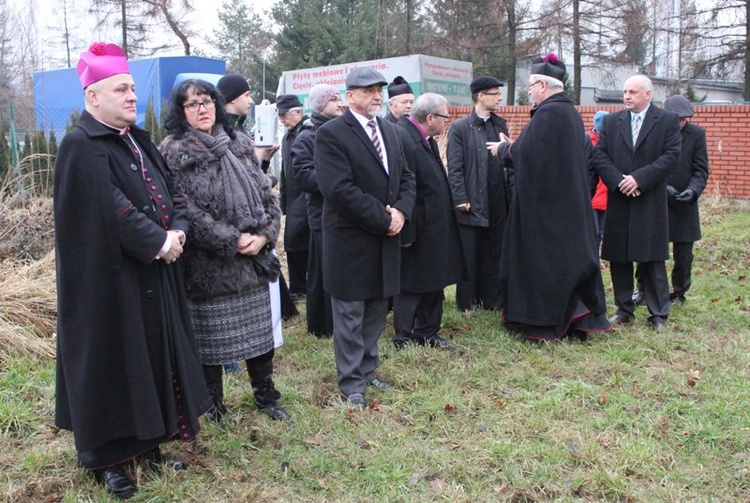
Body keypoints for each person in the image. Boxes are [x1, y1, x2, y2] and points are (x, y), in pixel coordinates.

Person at [54, 42, 211, 499]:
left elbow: (171, 193)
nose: (131, 97)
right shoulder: (79, 146)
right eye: (120, 88)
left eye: (131, 88)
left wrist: (177, 230)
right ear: (92, 97)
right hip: (108, 284)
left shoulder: (137, 139)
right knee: (112, 364)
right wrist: (157, 241)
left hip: (152, 275)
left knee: (150, 360)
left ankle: (149, 445)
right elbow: (107, 209)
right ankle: (107, 461)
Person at [160, 79, 290, 424]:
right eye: (192, 104)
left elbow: (266, 195)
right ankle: (213, 406)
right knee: (211, 342)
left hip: (254, 261)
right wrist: (231, 240)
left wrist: (264, 235)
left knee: (259, 338)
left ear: (217, 103)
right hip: (209, 265)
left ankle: (266, 396)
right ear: (181, 111)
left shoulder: (238, 142)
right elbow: (184, 210)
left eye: (206, 101)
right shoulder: (173, 151)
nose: (202, 109)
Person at [315, 67, 415, 407]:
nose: (376, 95)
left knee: (376, 308)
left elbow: (407, 178)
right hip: (351, 241)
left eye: (379, 90)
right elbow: (338, 190)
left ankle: (369, 370)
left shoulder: (390, 130)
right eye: (368, 90)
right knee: (350, 313)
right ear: (350, 96)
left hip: (385, 238)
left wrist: (401, 211)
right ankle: (352, 381)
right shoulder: (331, 134)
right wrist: (383, 219)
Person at [492, 53, 611, 340]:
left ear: (543, 86)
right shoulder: (568, 112)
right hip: (562, 202)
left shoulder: (549, 113)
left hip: (548, 208)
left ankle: (545, 321)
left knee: (547, 263)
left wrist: (502, 151)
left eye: (532, 85)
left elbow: (527, 153)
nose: (530, 90)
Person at [592, 75, 681, 332]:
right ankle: (624, 309)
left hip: (649, 198)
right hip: (620, 198)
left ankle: (658, 313)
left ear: (648, 95)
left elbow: (671, 156)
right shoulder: (611, 121)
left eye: (632, 92)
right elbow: (600, 155)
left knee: (651, 257)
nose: (627, 96)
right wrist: (619, 181)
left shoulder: (666, 121)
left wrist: (639, 179)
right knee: (618, 256)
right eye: (625, 92)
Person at [392, 93, 466, 348]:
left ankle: (427, 331)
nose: (448, 121)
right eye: (445, 116)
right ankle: (403, 335)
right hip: (417, 229)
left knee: (434, 280)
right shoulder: (404, 138)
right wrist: (407, 233)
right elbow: (404, 188)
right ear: (431, 117)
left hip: (435, 227)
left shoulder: (426, 139)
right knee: (412, 284)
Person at [633, 95, 709, 306]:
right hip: (657, 199)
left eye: (685, 119)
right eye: (678, 119)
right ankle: (643, 289)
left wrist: (693, 191)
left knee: (684, 255)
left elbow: (701, 169)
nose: (682, 123)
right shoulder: (654, 131)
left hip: (685, 203)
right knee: (647, 250)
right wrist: (661, 187)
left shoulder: (697, 135)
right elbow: (646, 164)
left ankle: (678, 293)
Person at [447, 75, 511, 312]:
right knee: (469, 252)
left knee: (495, 250)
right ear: (481, 96)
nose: (500, 97)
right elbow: (455, 167)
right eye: (495, 93)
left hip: (497, 199)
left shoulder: (500, 125)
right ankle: (467, 303)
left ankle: (493, 300)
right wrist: (460, 198)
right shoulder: (460, 128)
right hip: (471, 200)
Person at [291, 83, 344, 338]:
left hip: (344, 215)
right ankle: (322, 326)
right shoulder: (307, 136)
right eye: (333, 99)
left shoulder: (341, 131)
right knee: (322, 275)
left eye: (339, 97)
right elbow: (303, 177)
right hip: (321, 216)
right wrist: (338, 182)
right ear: (320, 104)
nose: (339, 102)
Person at [277, 94, 311, 300]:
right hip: (292, 197)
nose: (282, 120)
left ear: (298, 112)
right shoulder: (287, 136)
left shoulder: (308, 132)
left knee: (300, 242)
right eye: (279, 116)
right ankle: (298, 287)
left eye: (284, 115)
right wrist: (283, 197)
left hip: (305, 197)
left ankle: (302, 287)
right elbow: (284, 170)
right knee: (292, 242)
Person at [588, 110, 609, 246]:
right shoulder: (587, 142)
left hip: (606, 196)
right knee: (593, 233)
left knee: (603, 232)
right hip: (592, 196)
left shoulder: (611, 142)